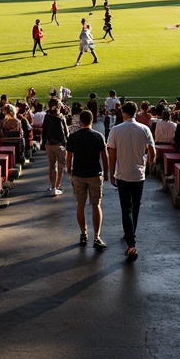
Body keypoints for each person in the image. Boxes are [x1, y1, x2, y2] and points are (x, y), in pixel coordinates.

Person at [107, 101, 155, 262]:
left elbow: (112, 154)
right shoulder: (145, 129)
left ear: (123, 112)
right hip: (138, 173)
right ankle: (130, 233)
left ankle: (131, 242)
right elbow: (152, 151)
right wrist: (148, 165)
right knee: (135, 205)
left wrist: (111, 172)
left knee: (126, 208)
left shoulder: (116, 130)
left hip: (123, 174)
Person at [66, 108, 109, 250]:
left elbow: (69, 156)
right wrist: (107, 172)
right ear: (91, 120)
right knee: (96, 204)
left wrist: (69, 170)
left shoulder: (73, 136)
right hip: (94, 173)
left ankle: (83, 233)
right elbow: (104, 156)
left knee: (80, 204)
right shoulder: (98, 136)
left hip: (78, 174)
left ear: (80, 121)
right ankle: (97, 236)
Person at [41, 98, 69, 195]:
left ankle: (52, 186)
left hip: (49, 144)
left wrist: (43, 143)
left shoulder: (47, 117)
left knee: (51, 165)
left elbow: (44, 130)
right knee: (60, 165)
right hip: (59, 144)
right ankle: (57, 186)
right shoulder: (61, 117)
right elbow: (66, 132)